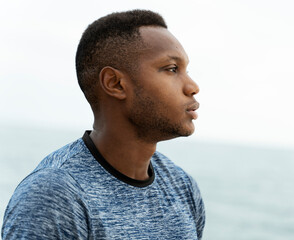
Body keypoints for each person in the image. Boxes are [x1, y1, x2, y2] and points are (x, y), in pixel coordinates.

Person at [2, 10, 205, 239]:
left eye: (186, 70)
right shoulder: (55, 195)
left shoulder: (182, 186)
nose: (192, 86)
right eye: (171, 69)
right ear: (115, 83)